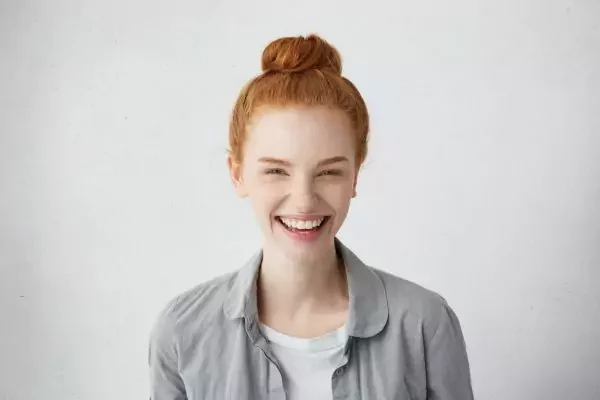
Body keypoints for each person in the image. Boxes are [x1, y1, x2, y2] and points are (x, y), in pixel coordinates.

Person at [149, 34, 474, 400]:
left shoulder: (423, 325)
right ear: (237, 174)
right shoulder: (182, 331)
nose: (304, 201)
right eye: (276, 171)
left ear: (355, 176)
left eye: (329, 172)